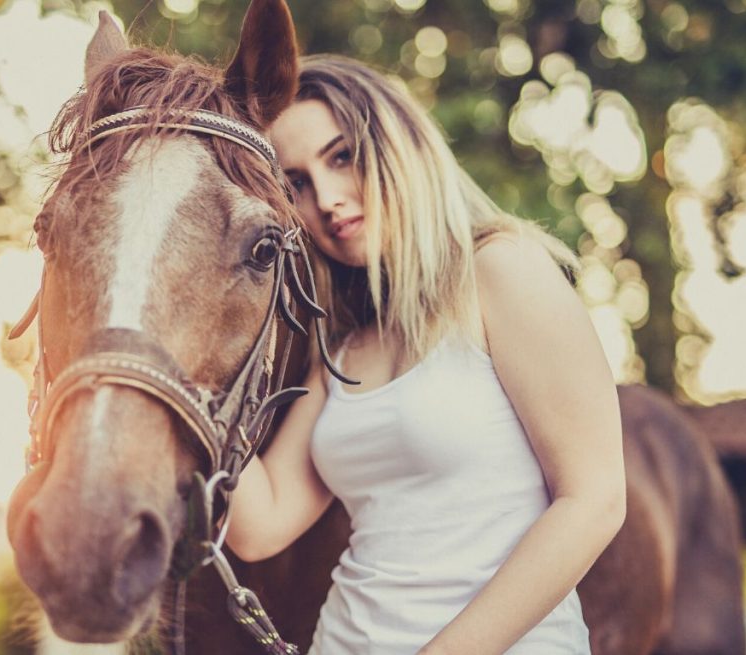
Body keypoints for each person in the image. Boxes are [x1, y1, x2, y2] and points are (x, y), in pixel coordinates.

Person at [225, 55, 626, 655]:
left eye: (342, 157)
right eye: (298, 184)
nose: (327, 200)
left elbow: (594, 501)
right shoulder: (341, 345)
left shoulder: (502, 269)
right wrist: (181, 363)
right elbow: (261, 526)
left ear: (398, 145)